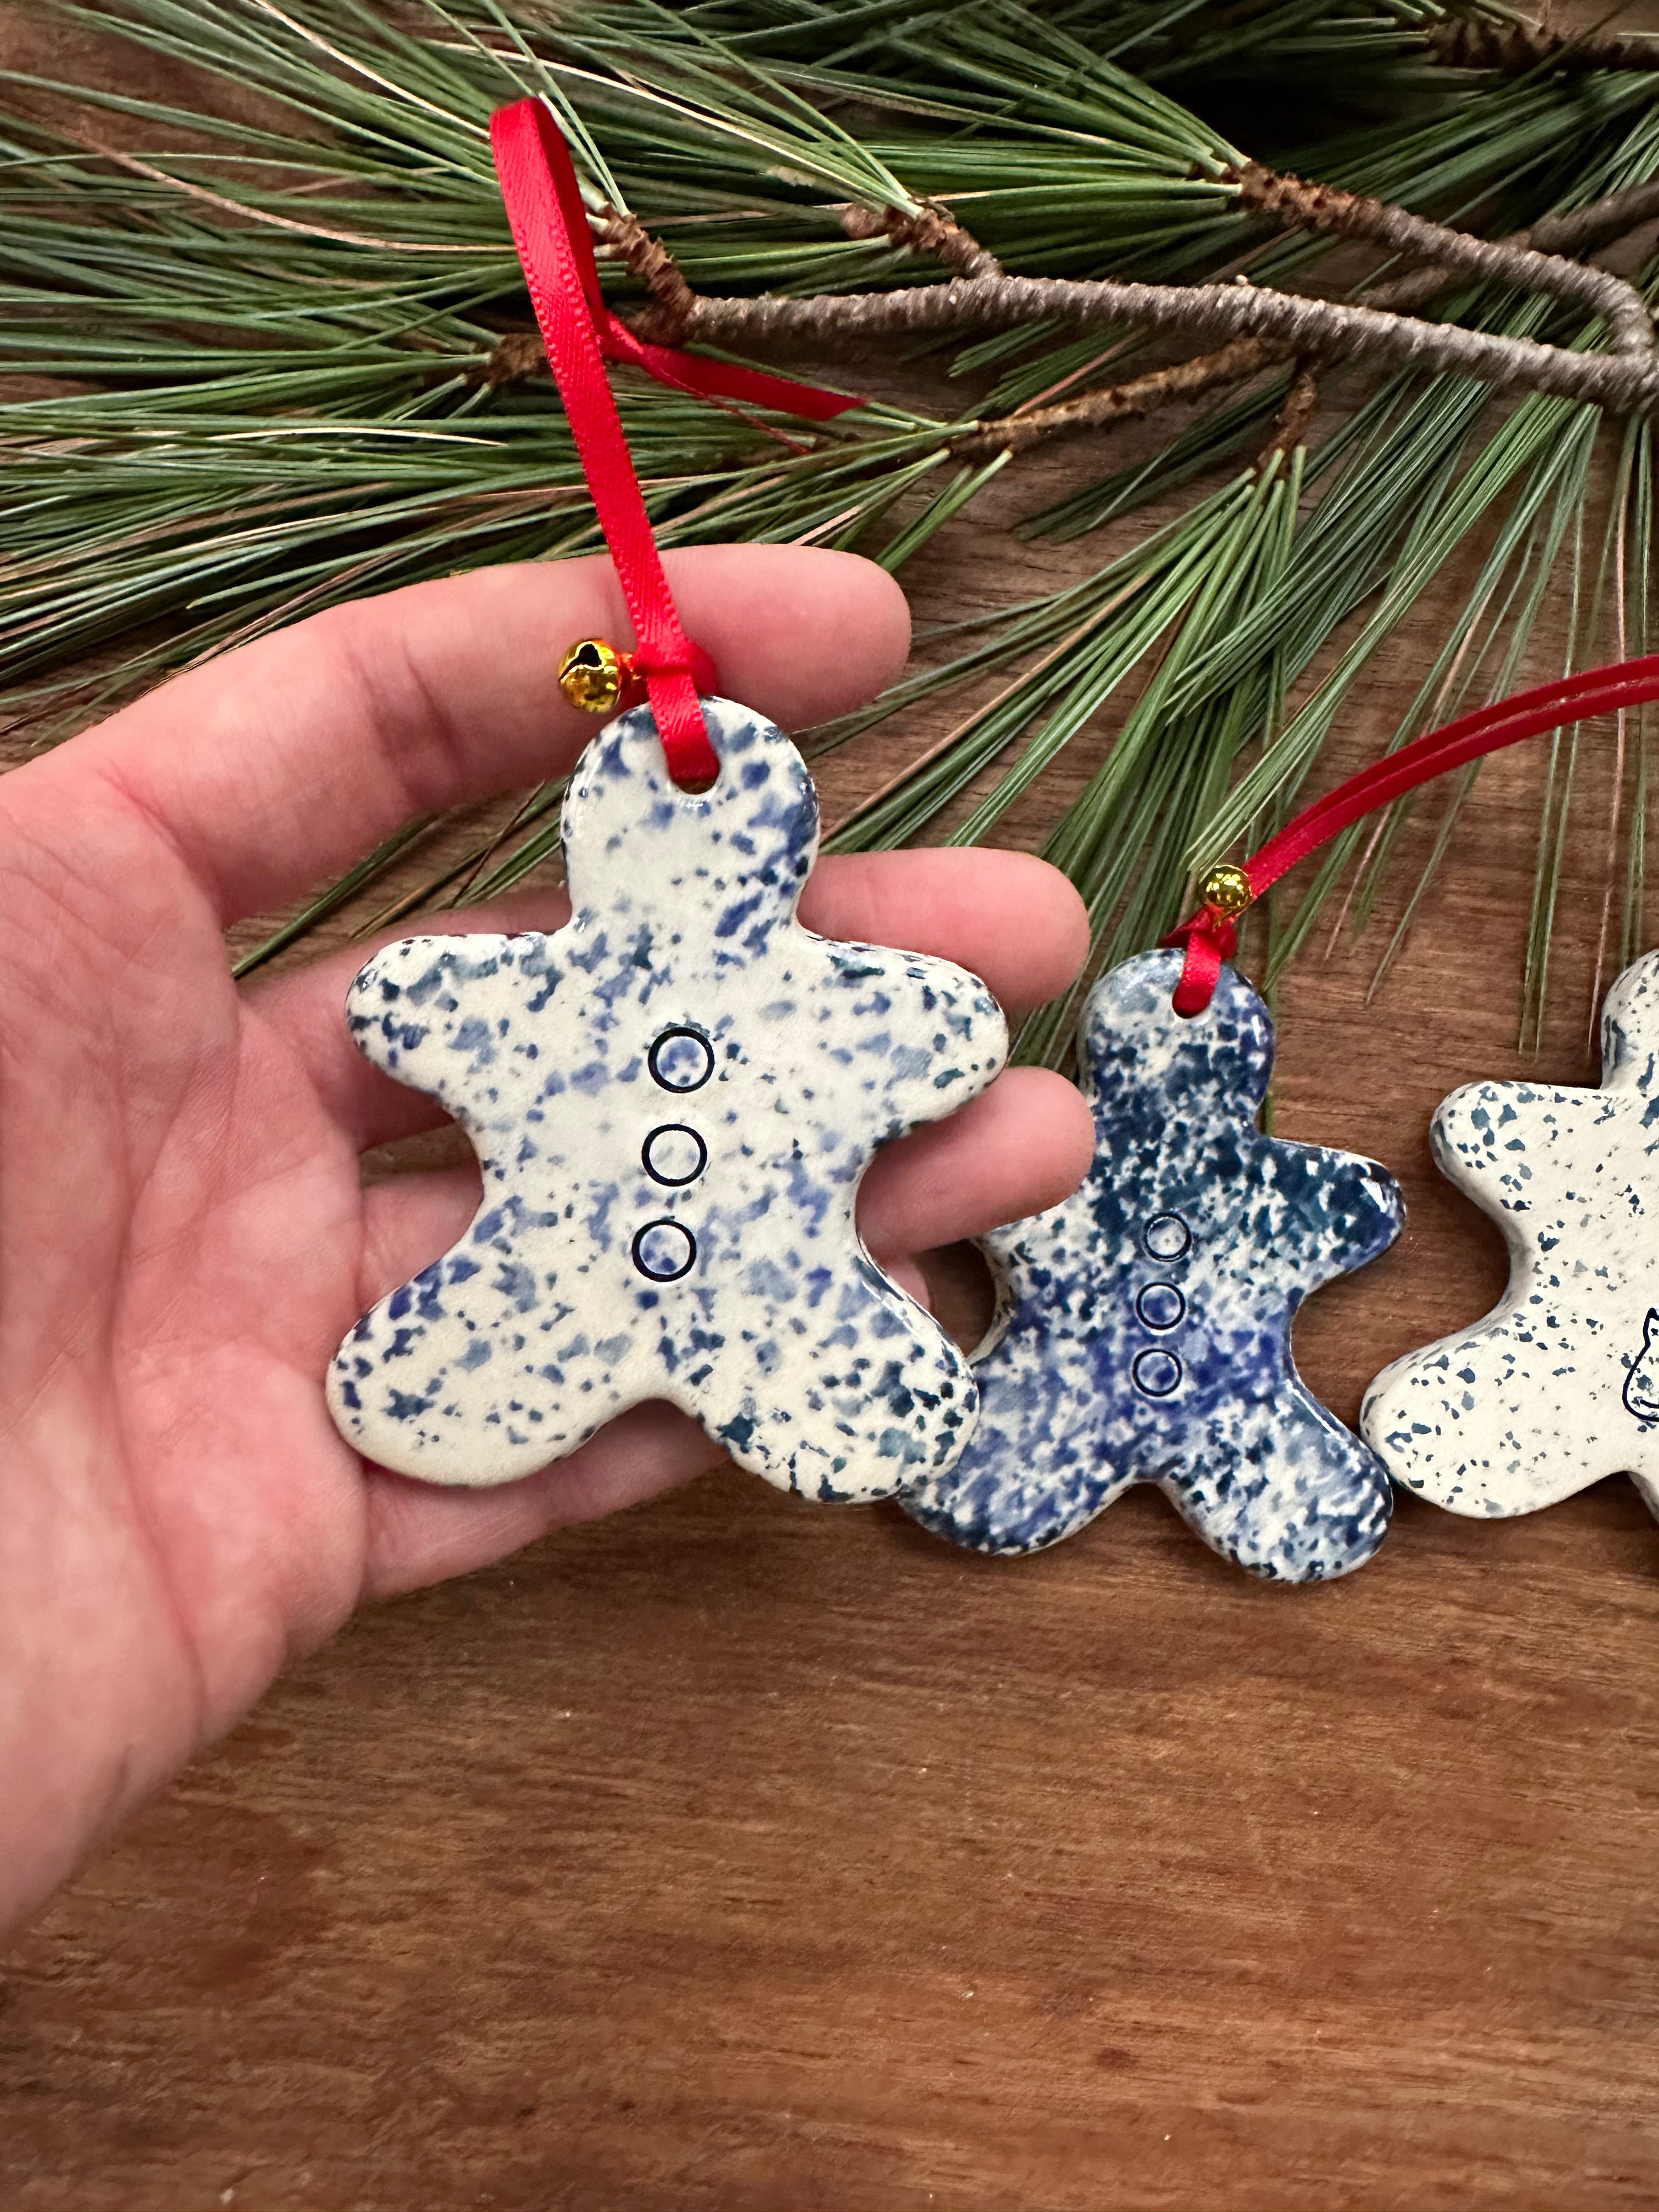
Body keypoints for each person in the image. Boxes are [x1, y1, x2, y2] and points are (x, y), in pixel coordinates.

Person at [0, 544, 1094, 1937]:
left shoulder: (861, 1011)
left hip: (775, 1330)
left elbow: (940, 1030)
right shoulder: (523, 994)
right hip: (531, 1320)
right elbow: (411, 1005)